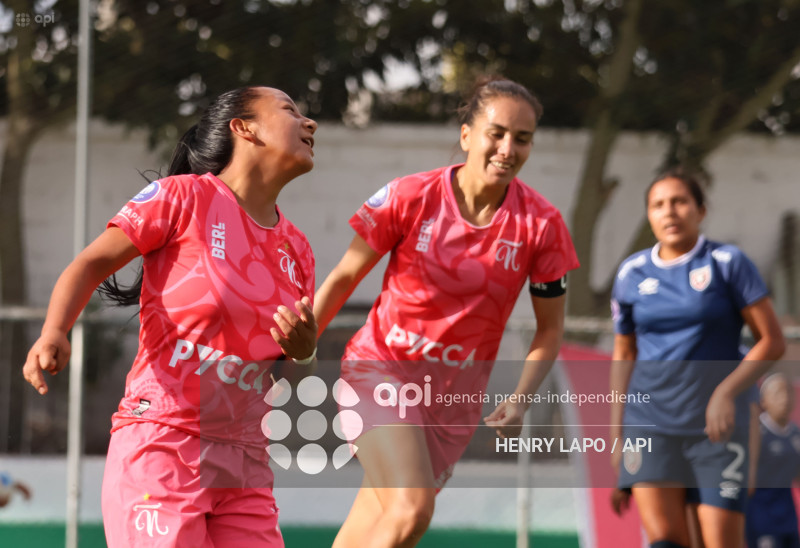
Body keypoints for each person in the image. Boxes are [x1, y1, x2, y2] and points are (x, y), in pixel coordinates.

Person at [22, 86, 319, 547]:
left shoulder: (297, 249)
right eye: (289, 111)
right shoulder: (181, 198)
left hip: (245, 463)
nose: (309, 123)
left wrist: (304, 354)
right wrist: (54, 330)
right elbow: (89, 265)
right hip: (163, 443)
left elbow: (292, 380)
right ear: (243, 128)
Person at [313, 76, 579, 548]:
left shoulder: (543, 226)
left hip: (451, 405)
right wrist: (289, 353)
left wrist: (520, 398)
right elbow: (342, 278)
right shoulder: (409, 196)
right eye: (495, 132)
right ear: (466, 135)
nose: (507, 148)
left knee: (375, 528)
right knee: (412, 509)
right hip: (380, 371)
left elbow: (550, 329)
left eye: (522, 138)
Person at [608, 166, 786, 548]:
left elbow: (772, 341)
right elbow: (624, 353)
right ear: (649, 215)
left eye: (679, 201)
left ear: (701, 210)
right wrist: (616, 431)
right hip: (650, 425)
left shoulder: (727, 263)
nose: (669, 212)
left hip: (716, 430)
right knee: (666, 543)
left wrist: (725, 392)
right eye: (658, 205)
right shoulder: (631, 273)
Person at [746, 372, 800, 548]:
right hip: (761, 517)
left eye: (788, 392)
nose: (784, 398)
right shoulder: (756, 434)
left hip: (788, 517)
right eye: (778, 393)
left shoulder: (796, 435)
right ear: (763, 400)